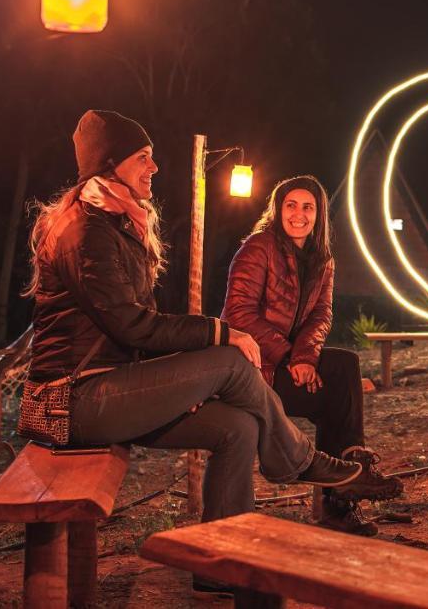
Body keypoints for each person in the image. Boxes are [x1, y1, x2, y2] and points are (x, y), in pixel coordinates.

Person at [25, 111, 381, 592]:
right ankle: (299, 461)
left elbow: (318, 317)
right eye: (143, 158)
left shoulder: (114, 223)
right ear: (109, 166)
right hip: (72, 399)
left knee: (238, 426)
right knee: (229, 358)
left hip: (111, 387)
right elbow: (132, 325)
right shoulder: (86, 232)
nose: (154, 167)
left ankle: (220, 562)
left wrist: (184, 380)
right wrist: (220, 333)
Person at [223, 175, 399, 535]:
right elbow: (238, 314)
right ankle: (341, 495)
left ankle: (347, 476)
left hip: (287, 364)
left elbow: (322, 315)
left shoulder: (323, 259)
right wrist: (292, 357)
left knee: (342, 366)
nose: (298, 214)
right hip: (253, 368)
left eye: (308, 207)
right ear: (278, 209)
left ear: (319, 215)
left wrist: (305, 357)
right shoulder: (259, 247)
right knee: (336, 388)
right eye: (291, 205)